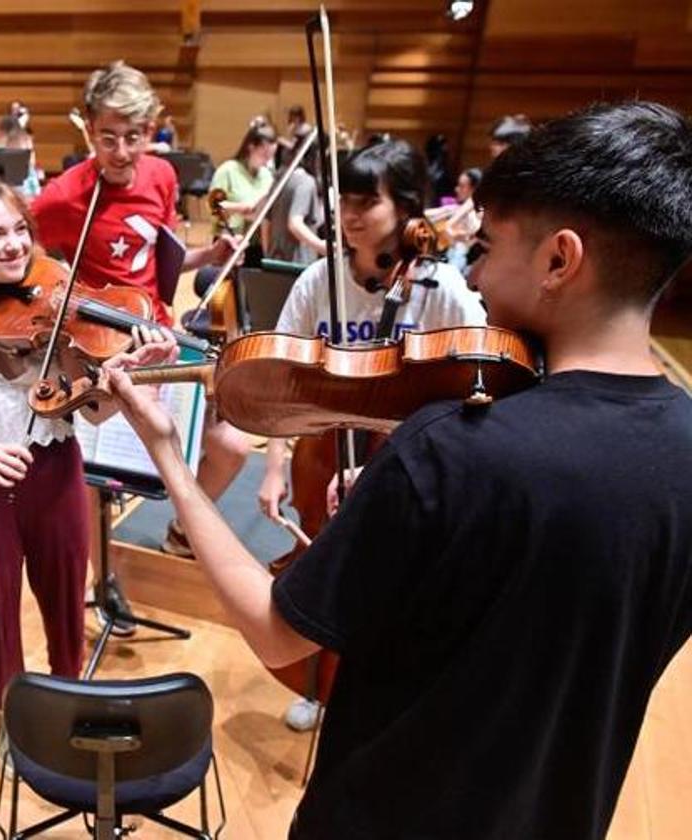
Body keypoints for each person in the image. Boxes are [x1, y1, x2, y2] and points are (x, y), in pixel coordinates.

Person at [106, 100, 692, 840]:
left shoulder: (453, 449)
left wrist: (168, 457)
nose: (471, 275)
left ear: (558, 260)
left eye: (487, 249)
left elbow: (277, 632)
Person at [0, 176, 171, 761]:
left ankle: (68, 701)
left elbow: (92, 414)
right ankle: (12, 718)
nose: (16, 245)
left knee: (66, 600)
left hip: (54, 471)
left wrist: (127, 373)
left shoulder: (55, 307)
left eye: (21, 229)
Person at [258, 137, 486, 731]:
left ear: (407, 208)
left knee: (399, 579)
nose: (350, 216)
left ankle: (381, 692)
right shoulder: (318, 280)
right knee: (321, 564)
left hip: (409, 459)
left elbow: (478, 386)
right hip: (322, 447)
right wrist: (275, 465)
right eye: (345, 202)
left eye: (367, 202)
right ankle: (318, 682)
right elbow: (287, 379)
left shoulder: (444, 291)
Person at [30, 60, 250, 567]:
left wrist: (208, 256)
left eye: (134, 136)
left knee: (233, 445)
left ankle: (180, 527)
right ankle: (96, 578)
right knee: (92, 472)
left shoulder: (162, 175)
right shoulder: (64, 196)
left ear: (151, 128)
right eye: (108, 138)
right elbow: (27, 262)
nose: (123, 152)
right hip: (99, 349)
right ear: (88, 130)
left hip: (159, 335)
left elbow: (156, 256)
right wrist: (59, 305)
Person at [209, 122, 278, 238]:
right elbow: (213, 206)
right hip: (229, 239)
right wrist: (241, 209)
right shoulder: (228, 170)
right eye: (264, 155)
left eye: (271, 156)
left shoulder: (267, 175)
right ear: (251, 148)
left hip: (258, 241)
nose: (268, 161)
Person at [267, 151, 325, 266]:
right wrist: (321, 246)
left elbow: (266, 222)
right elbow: (294, 223)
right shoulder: (305, 182)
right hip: (298, 261)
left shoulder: (279, 179)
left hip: (274, 258)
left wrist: (267, 253)